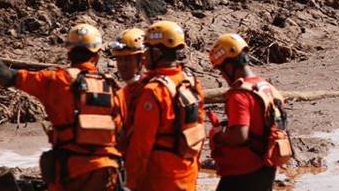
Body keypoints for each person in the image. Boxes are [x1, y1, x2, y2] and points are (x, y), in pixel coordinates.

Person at [0, 24, 123, 191]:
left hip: (69, 172)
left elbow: (4, 76)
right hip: (106, 171)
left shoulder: (55, 80)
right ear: (97, 55)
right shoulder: (112, 87)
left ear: (69, 53)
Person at [124, 21, 206, 191]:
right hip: (187, 174)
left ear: (157, 52)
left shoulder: (154, 91)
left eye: (147, 49)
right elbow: (200, 130)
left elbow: (141, 145)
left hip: (161, 178)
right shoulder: (191, 82)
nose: (144, 54)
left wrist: (130, 183)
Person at [208, 33, 291, 191]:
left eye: (221, 70)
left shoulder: (239, 95)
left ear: (229, 66)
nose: (223, 76)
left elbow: (239, 136)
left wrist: (217, 135)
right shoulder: (266, 87)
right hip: (267, 166)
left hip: (244, 172)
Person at [109, 28, 146, 153]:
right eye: (119, 59)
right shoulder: (122, 94)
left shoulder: (152, 91)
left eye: (128, 59)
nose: (123, 65)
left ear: (142, 60)